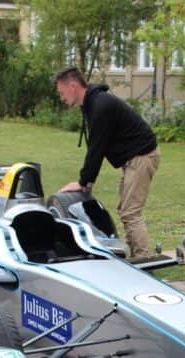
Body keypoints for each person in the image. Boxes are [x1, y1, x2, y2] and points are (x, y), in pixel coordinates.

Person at [54, 67, 160, 260]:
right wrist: (88, 181)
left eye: (62, 92)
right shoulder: (93, 103)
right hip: (134, 159)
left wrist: (83, 181)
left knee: (130, 212)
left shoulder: (100, 105)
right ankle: (134, 256)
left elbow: (97, 147)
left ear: (73, 86)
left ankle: (144, 261)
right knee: (126, 210)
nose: (61, 98)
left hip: (142, 157)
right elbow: (98, 145)